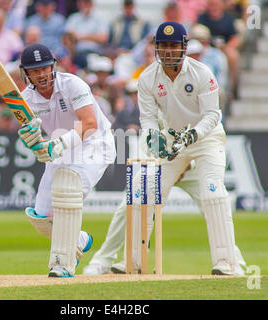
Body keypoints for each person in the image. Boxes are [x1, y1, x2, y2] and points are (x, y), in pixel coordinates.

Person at [114, 21, 244, 276]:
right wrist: (153, 138)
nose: (169, 51)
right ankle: (135, 261)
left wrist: (192, 135)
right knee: (145, 191)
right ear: (156, 48)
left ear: (184, 48)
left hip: (206, 140)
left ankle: (226, 262)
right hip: (173, 140)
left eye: (174, 46)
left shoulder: (202, 73)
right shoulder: (147, 78)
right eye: (164, 46)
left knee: (213, 194)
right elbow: (148, 119)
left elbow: (212, 115)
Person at [17, 43, 116, 277]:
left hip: (94, 144)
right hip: (60, 148)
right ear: (26, 73)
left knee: (67, 192)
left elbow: (90, 124)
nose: (41, 74)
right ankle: (80, 238)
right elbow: (32, 135)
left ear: (53, 67)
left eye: (44, 68)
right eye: (35, 70)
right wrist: (36, 146)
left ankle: (63, 264)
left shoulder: (72, 84)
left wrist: (57, 145)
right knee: (40, 217)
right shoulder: (25, 98)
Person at [82, 160, 246, 275]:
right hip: (162, 165)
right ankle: (102, 261)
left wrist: (187, 164)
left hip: (193, 169)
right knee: (129, 204)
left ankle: (234, 261)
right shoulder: (153, 110)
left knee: (213, 208)